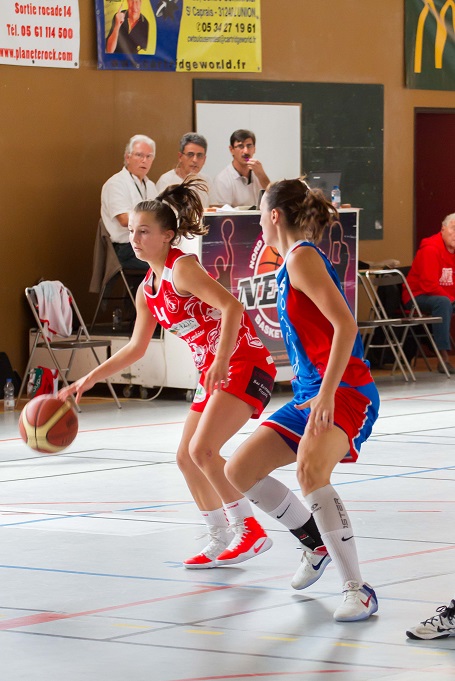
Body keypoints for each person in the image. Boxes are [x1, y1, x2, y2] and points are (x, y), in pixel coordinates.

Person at [60, 178, 277, 569]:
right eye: (132, 231)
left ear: (167, 236)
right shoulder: (147, 288)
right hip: (216, 370)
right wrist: (89, 378)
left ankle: (250, 530)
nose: (136, 238)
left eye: (144, 231)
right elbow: (136, 347)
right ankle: (219, 535)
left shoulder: (183, 268)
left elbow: (232, 308)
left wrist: (223, 360)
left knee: (202, 450)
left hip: (243, 362)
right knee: (185, 457)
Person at [224, 178, 380, 622]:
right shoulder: (293, 261)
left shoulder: (302, 258)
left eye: (258, 212)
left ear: (273, 215)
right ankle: (314, 542)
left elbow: (346, 327)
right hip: (314, 392)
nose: (257, 220)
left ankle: (358, 589)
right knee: (240, 469)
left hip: (345, 390)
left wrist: (327, 393)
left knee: (310, 469)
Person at [403, 213, 455, 374]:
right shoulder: (431, 249)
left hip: (445, 296)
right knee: (443, 303)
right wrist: (452, 300)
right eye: (454, 229)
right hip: (418, 296)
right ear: (443, 229)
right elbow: (429, 285)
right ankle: (443, 358)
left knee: (445, 302)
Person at [101, 134, 157, 272]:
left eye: (149, 156)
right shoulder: (116, 183)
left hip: (148, 244)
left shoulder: (150, 185)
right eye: (139, 155)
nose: (144, 160)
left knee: (183, 257)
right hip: (125, 249)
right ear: (128, 157)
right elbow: (125, 220)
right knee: (169, 265)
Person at [213, 129, 270, 208]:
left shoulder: (257, 172)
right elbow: (222, 215)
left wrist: (262, 175)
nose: (246, 151)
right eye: (240, 146)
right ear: (231, 150)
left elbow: (273, 198)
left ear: (254, 149)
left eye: (249, 146)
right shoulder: (222, 179)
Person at [156, 133, 214, 208]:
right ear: (180, 157)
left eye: (199, 155)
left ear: (204, 159)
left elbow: (214, 210)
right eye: (190, 154)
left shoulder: (206, 181)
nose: (195, 160)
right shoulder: (166, 181)